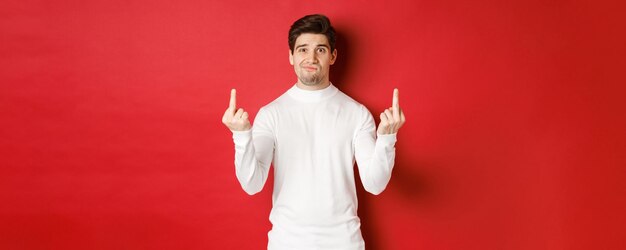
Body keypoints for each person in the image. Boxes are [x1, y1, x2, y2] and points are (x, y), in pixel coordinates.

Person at [222, 14, 406, 250]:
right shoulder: (271, 114)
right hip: (286, 243)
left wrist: (387, 139)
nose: (311, 58)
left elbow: (375, 184)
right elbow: (252, 184)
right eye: (302, 50)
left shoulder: (357, 114)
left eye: (320, 49)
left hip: (344, 243)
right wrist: (241, 136)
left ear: (333, 56)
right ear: (291, 56)